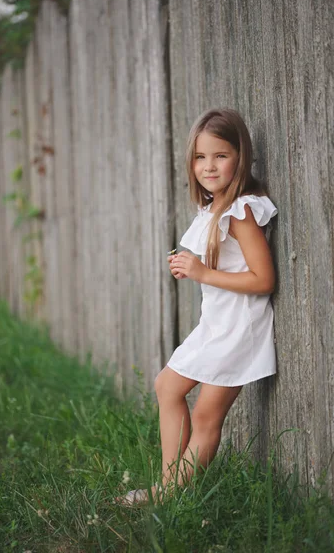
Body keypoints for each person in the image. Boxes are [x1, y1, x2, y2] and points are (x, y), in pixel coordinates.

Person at [116, 107, 278, 506]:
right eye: (201, 157)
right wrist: (191, 268)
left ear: (241, 157)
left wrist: (203, 274)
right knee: (166, 386)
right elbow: (220, 266)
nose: (209, 166)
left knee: (207, 416)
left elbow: (263, 280)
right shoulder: (214, 207)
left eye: (221, 156)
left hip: (239, 327)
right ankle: (169, 484)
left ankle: (169, 495)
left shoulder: (241, 212)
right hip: (216, 323)